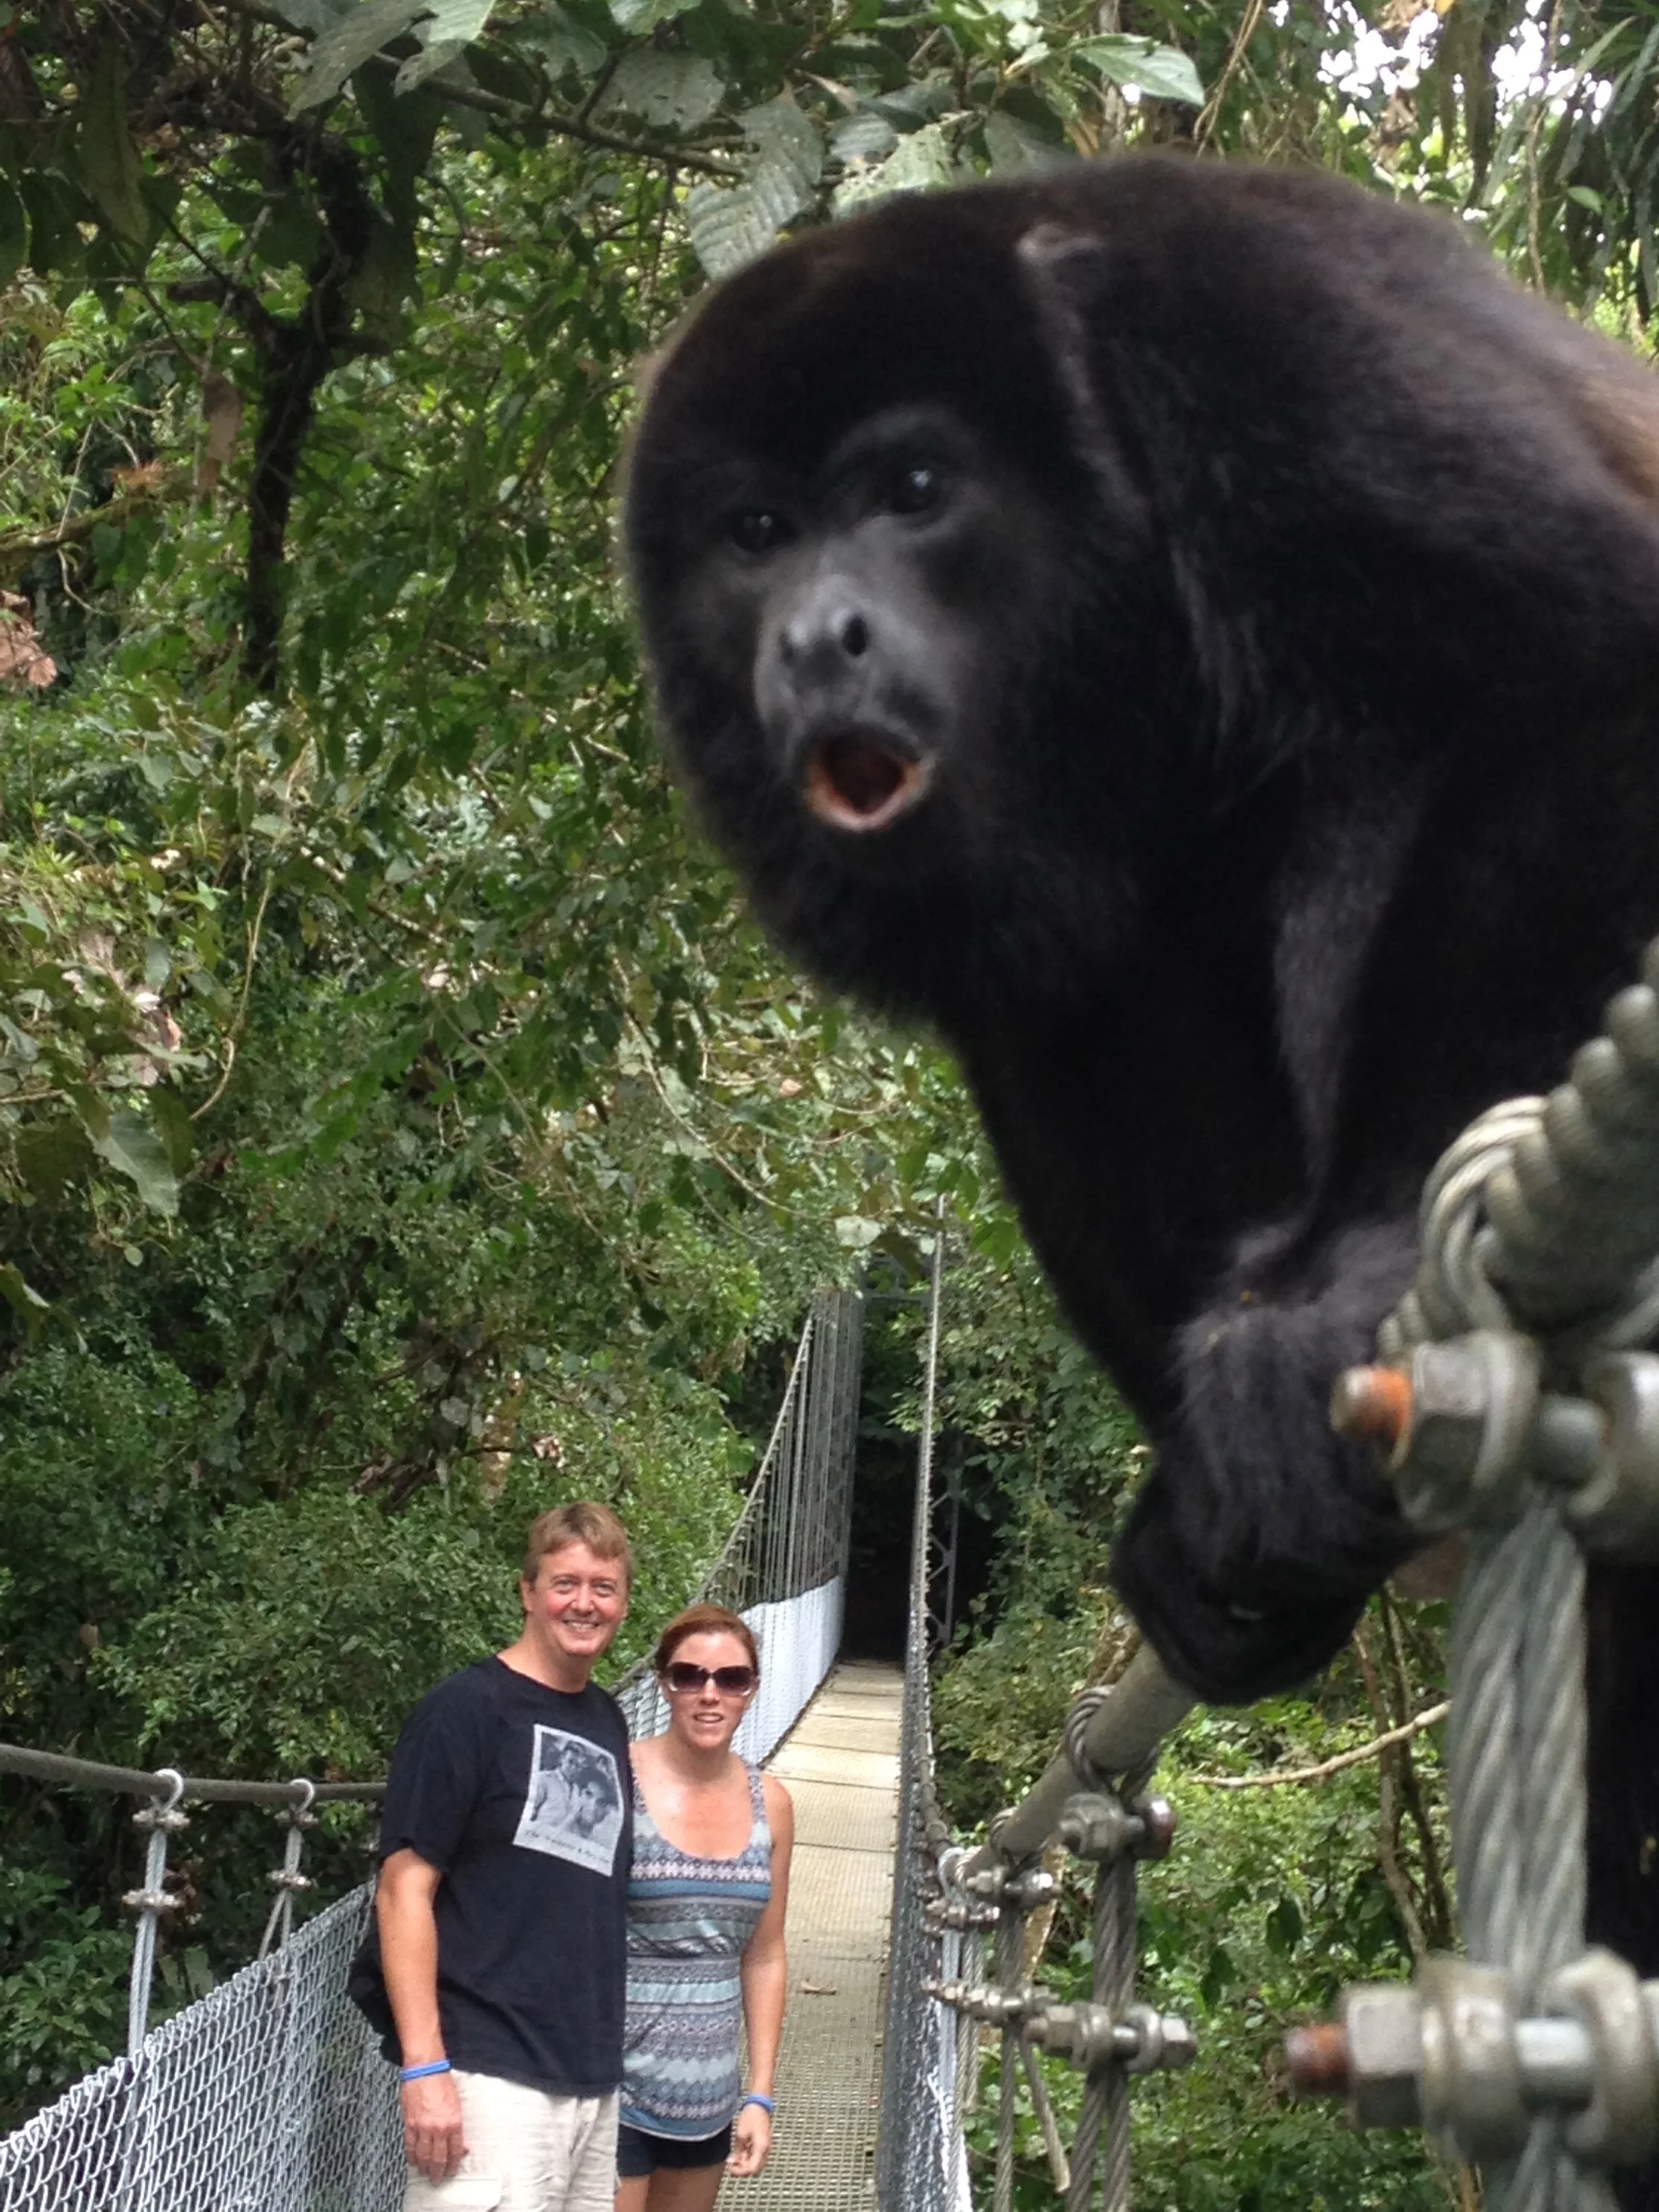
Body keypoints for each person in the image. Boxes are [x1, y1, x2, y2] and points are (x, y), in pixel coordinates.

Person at [366, 1500, 635, 2212]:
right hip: (488, 2075)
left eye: (604, 1588)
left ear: (625, 1604)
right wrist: (425, 2068)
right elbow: (402, 1890)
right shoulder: (464, 1711)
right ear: (527, 1591)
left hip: (589, 2076)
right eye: (565, 1583)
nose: (585, 1604)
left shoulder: (608, 1719)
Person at [616, 1603, 794, 2212]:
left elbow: (765, 1953)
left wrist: (760, 2095)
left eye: (731, 1678)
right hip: (607, 2086)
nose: (709, 1694)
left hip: (705, 2103)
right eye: (690, 1676)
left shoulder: (772, 1802)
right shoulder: (616, 1773)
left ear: (752, 1689)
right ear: (665, 1684)